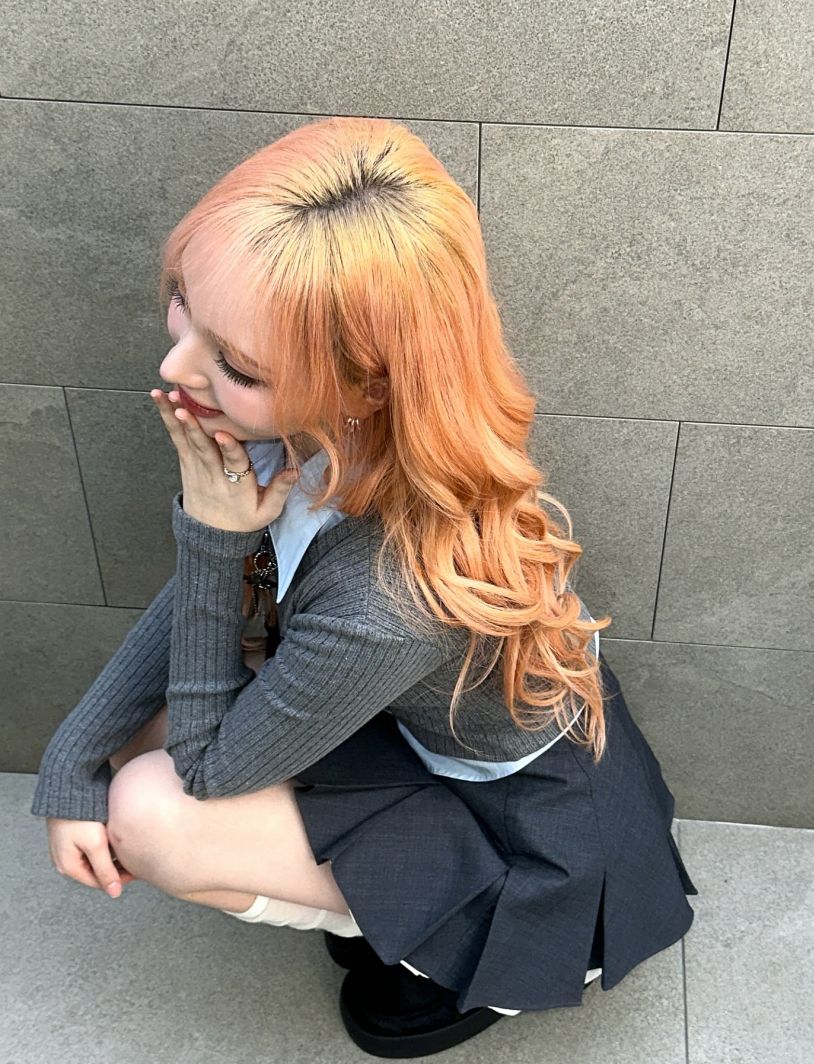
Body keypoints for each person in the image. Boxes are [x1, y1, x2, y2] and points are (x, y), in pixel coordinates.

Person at [31, 115, 698, 1058]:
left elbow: (208, 770)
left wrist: (216, 537)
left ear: (368, 384)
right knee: (138, 738)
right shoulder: (334, 437)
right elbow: (201, 616)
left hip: (531, 843)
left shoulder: (392, 596)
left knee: (150, 807)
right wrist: (70, 759)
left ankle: (463, 953)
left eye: (239, 366)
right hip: (436, 737)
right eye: (184, 302)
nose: (176, 369)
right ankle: (390, 898)